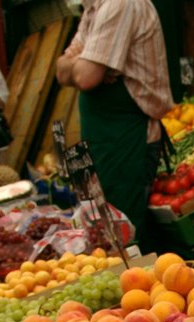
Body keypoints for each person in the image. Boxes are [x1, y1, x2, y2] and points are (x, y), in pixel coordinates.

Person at [55, 0, 174, 247]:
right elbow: (61, 70)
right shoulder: (93, 9)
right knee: (109, 227)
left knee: (127, 231)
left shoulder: (119, 4)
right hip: (104, 138)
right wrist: (83, 64)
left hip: (127, 135)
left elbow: (85, 77)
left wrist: (80, 63)